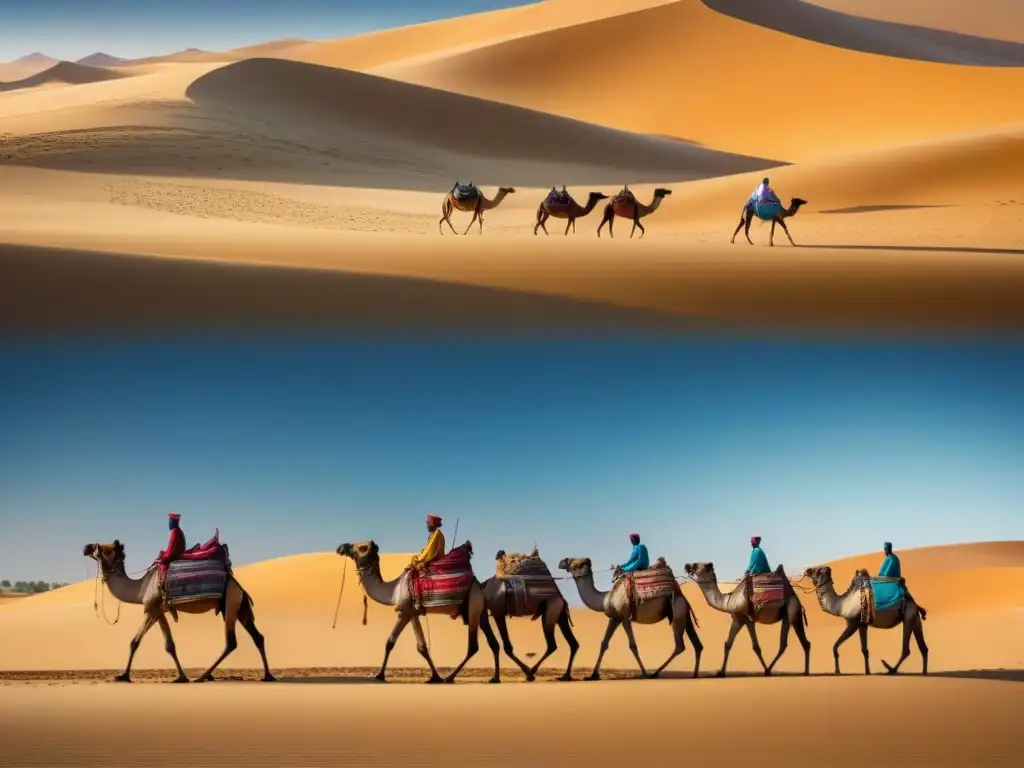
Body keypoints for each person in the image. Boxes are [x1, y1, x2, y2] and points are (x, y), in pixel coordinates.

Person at [877, 542, 927, 619]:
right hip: (887, 580)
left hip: (893, 580)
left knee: (905, 594)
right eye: (885, 549)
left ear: (890, 549)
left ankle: (918, 609)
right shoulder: (888, 558)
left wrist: (882, 577)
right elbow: (882, 571)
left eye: (886, 549)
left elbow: (888, 572)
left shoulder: (893, 558)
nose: (885, 551)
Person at [157, 513, 186, 615]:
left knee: (162, 568)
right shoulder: (178, 531)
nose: (168, 523)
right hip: (175, 555)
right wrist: (163, 554)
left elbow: (171, 551)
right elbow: (171, 549)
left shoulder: (175, 532)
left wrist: (162, 558)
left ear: (174, 522)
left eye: (170, 521)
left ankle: (165, 599)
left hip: (175, 557)